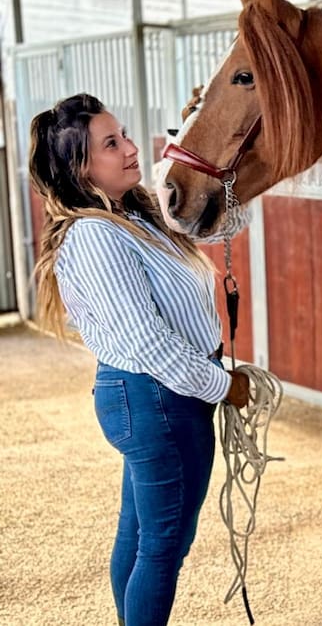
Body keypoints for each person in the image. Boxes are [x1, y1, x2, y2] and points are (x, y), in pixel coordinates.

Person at [29, 93, 249, 626]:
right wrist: (223, 385)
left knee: (142, 534)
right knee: (164, 545)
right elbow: (148, 342)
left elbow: (223, 224)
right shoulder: (97, 235)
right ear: (83, 170)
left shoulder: (135, 215)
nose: (130, 148)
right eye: (112, 144)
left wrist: (200, 129)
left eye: (124, 134)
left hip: (155, 397)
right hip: (159, 396)